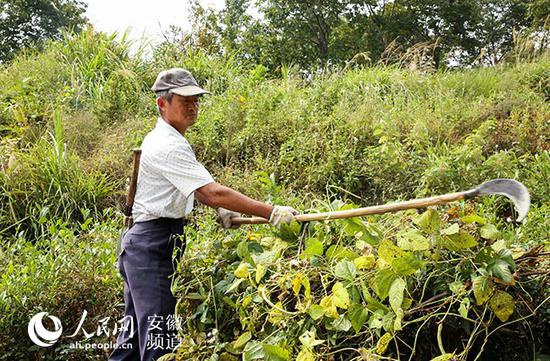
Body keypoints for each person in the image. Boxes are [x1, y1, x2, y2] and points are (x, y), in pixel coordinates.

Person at [108, 68, 297, 361]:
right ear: (162, 104)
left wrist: (222, 208)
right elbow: (211, 192)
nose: (193, 106)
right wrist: (271, 212)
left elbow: (196, 189)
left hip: (146, 243)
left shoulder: (170, 139)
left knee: (133, 340)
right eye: (185, 100)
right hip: (152, 245)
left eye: (196, 100)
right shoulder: (167, 145)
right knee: (159, 341)